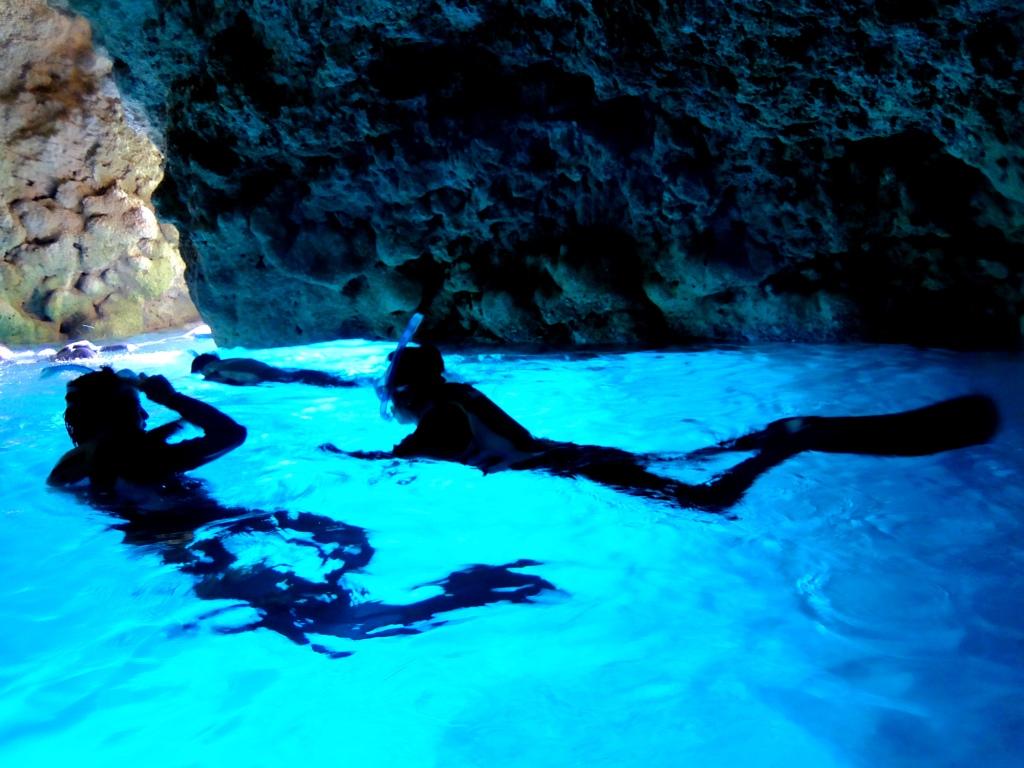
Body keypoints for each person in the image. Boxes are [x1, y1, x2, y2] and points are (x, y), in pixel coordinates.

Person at [47, 367, 554, 652]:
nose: (143, 410)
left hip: (191, 547)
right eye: (134, 405)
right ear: (120, 413)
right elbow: (230, 434)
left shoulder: (69, 468)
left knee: (342, 552)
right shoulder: (146, 453)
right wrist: (173, 397)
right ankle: (477, 591)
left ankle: (462, 591)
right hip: (213, 537)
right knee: (336, 618)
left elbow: (108, 494)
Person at [326, 344, 1000, 513]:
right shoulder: (458, 394)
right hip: (577, 453)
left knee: (708, 501)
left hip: (575, 465)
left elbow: (408, 460)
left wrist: (343, 457)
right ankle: (771, 434)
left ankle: (789, 440)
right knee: (691, 456)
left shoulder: (435, 422)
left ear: (408, 393)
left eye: (391, 394)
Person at [191, 352, 360, 388]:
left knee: (300, 379)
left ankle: (353, 384)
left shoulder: (211, 370)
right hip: (270, 370)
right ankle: (357, 382)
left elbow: (225, 379)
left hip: (266, 376)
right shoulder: (227, 360)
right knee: (302, 375)